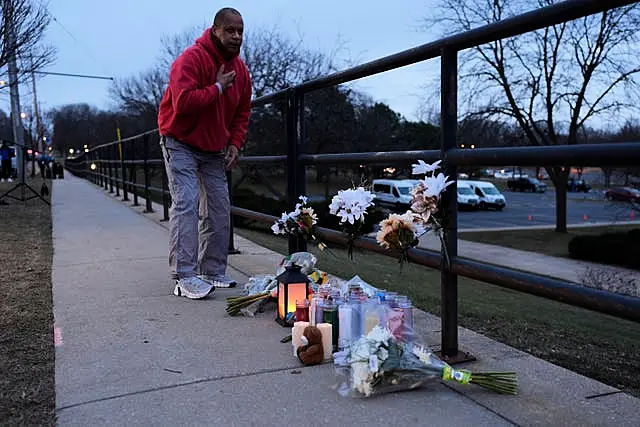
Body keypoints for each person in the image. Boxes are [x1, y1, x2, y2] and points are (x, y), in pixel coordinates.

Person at [158, 7, 252, 299]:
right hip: (180, 141)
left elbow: (242, 112)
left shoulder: (242, 72)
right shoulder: (191, 59)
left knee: (219, 207)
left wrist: (235, 143)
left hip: (213, 149)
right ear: (215, 30)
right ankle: (184, 275)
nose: (236, 36)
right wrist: (217, 88)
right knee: (186, 202)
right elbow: (183, 102)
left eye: (240, 31)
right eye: (229, 30)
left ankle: (212, 270)